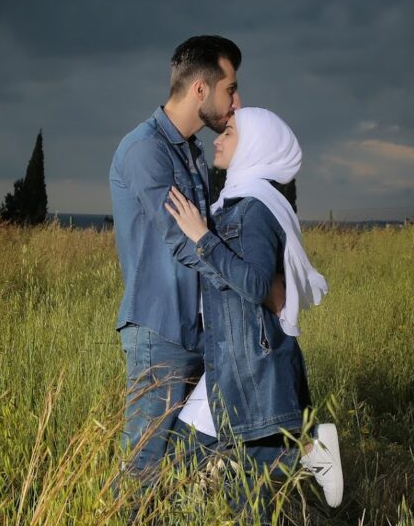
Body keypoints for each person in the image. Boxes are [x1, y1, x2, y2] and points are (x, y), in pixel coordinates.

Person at [163, 107, 343, 526]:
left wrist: (202, 238)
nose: (220, 137)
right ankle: (305, 455)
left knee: (237, 483)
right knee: (208, 469)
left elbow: (257, 283)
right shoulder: (237, 202)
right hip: (230, 362)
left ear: (257, 145)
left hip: (248, 365)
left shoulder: (255, 209)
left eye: (231, 132)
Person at [109, 36, 285, 486]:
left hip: (200, 331)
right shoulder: (144, 150)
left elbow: (207, 232)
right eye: (231, 89)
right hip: (161, 329)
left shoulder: (190, 152)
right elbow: (183, 241)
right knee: (143, 461)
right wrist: (248, 283)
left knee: (194, 454)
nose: (237, 102)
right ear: (201, 91)